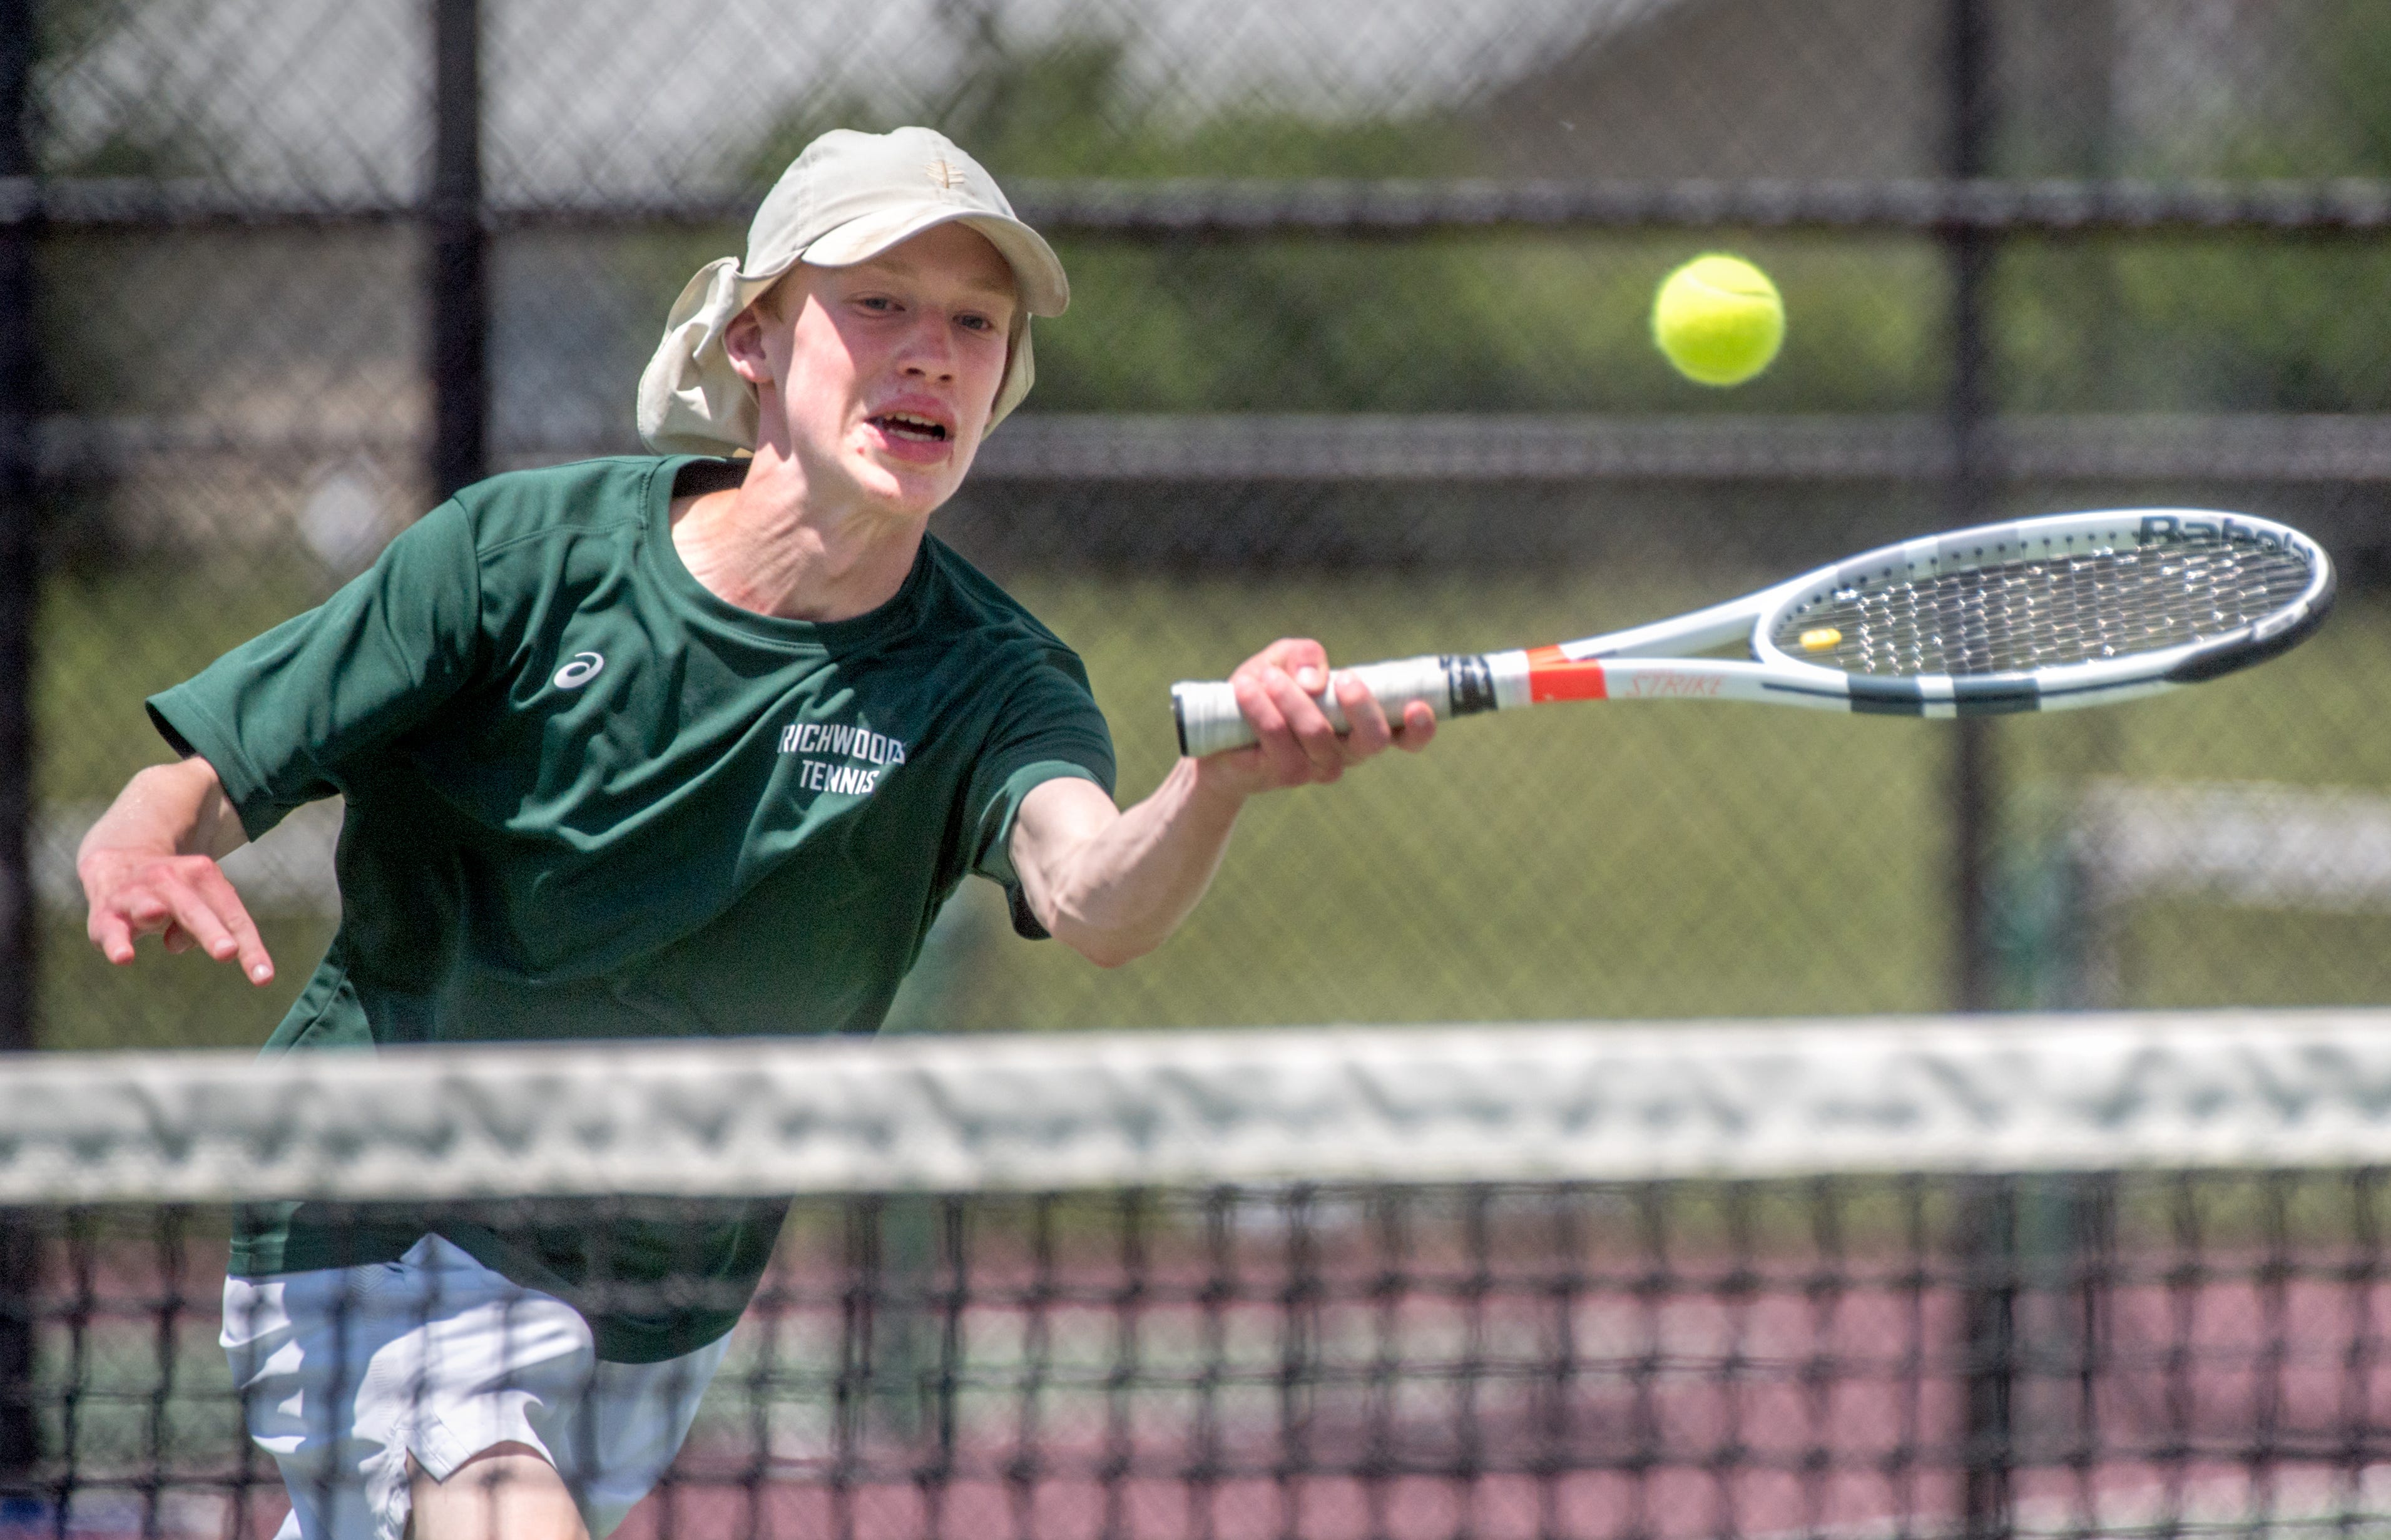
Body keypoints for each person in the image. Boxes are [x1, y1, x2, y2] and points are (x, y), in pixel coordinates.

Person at [74, 126, 1435, 1540]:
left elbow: (1091, 890)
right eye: (880, 304)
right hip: (377, 1212)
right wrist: (144, 831)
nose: (931, 353)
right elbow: (215, 765)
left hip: (657, 1300)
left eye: (975, 322)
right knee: (495, 1509)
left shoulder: (996, 677)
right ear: (755, 344)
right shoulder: (518, 561)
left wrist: (1214, 783)